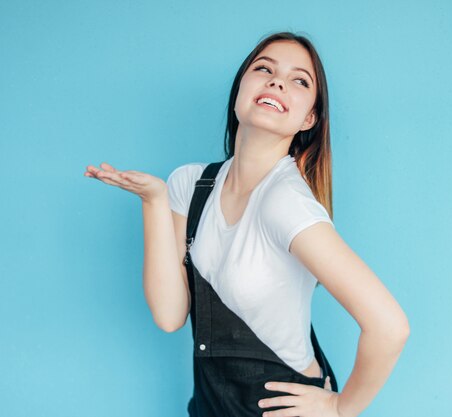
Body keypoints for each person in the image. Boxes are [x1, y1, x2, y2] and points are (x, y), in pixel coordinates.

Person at [85, 31, 409, 417]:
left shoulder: (285, 203)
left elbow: (390, 326)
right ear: (240, 89)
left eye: (299, 80)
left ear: (310, 117)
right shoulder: (191, 183)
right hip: (211, 403)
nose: (277, 82)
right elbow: (170, 315)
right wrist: (154, 201)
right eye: (264, 69)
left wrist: (341, 408)